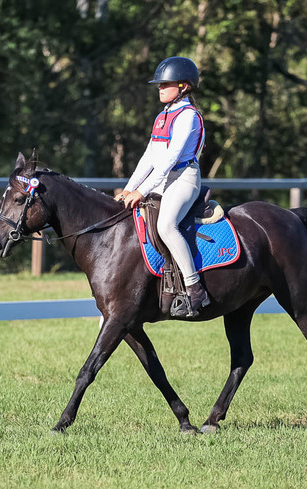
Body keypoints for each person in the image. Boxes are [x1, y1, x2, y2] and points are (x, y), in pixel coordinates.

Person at [116, 56, 209, 317]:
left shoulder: (188, 116)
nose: (159, 88)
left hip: (184, 178)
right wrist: (129, 187)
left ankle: (194, 288)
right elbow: (150, 157)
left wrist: (142, 191)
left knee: (166, 226)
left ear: (183, 86)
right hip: (164, 178)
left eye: (165, 84)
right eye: (159, 84)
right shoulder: (162, 116)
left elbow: (169, 160)